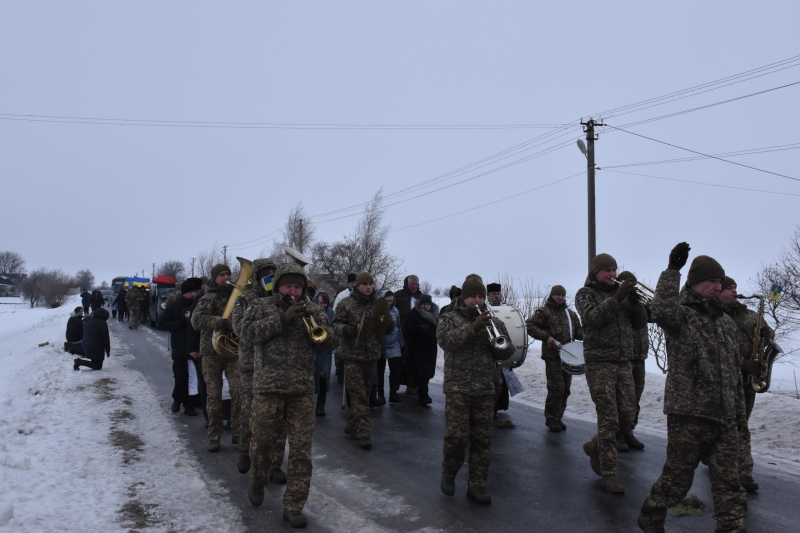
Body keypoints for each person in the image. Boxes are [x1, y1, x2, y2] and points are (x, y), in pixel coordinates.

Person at [638, 244, 747, 533]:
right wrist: (673, 270)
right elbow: (661, 309)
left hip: (723, 419)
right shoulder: (682, 317)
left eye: (720, 281)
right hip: (689, 415)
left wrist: (737, 413)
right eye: (712, 280)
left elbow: (732, 371)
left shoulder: (725, 323)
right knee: (676, 481)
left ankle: (732, 527)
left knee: (729, 483)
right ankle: (651, 515)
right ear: (695, 283)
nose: (717, 285)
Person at [237, 262, 337, 528]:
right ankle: (258, 479)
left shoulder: (314, 309)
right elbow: (245, 334)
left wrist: (322, 334)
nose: (293, 291)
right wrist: (283, 319)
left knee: (301, 452)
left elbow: (331, 341)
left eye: (297, 286)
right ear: (277, 286)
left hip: (301, 391)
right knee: (262, 446)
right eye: (287, 285)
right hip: (267, 389)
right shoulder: (260, 307)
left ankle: (293, 505)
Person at [438, 274, 516, 504]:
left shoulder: (493, 320)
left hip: (485, 388)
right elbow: (446, 342)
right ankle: (450, 472)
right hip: (458, 388)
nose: (477, 300)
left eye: (480, 296)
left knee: (482, 440)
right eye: (473, 296)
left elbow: (507, 350)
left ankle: (477, 483)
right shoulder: (448, 318)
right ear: (463, 297)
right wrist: (472, 328)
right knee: (457, 437)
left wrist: (495, 338)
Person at [576, 253, 647, 494]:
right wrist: (617, 298)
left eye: (615, 269)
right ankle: (609, 472)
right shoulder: (585, 294)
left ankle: (595, 445)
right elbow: (591, 319)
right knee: (609, 419)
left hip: (623, 361)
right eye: (608, 270)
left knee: (627, 417)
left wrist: (635, 302)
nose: (613, 274)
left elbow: (639, 324)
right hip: (599, 362)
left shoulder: (623, 296)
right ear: (596, 273)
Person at [231, 259, 287, 482]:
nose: (269, 278)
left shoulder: (282, 299)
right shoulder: (245, 299)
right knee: (250, 413)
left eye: (272, 274)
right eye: (265, 274)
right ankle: (246, 451)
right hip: (251, 366)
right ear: (256, 277)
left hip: (277, 367)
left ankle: (275, 464)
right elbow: (239, 329)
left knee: (279, 418)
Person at [719, 276, 774, 493]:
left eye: (735, 287)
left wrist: (766, 334)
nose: (734, 291)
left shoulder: (751, 316)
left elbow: (768, 335)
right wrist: (742, 363)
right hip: (723, 379)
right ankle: (731, 467)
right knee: (726, 425)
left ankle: (741, 470)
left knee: (741, 425)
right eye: (728, 288)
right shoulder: (714, 317)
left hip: (747, 382)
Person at [332, 272, 391, 450]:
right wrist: (348, 330)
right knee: (358, 396)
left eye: (370, 284)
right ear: (357, 286)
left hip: (371, 356)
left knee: (363, 395)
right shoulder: (346, 304)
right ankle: (364, 433)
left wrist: (387, 322)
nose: (368, 287)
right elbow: (335, 325)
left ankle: (351, 425)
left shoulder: (378, 304)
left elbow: (387, 328)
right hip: (352, 357)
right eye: (364, 284)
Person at [191, 264, 241, 453]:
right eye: (222, 274)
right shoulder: (206, 297)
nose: (226, 277)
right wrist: (222, 322)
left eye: (228, 273)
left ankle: (238, 433)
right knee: (214, 395)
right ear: (214, 277)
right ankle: (214, 435)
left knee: (238, 391)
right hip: (211, 351)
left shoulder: (236, 295)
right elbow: (196, 321)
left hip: (233, 352)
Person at [526, 284, 583, 432]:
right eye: (558, 295)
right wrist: (547, 337)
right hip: (552, 355)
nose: (560, 297)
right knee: (556, 387)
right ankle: (551, 418)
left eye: (563, 295)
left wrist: (592, 331)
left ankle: (559, 417)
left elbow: (579, 333)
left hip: (569, 356)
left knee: (566, 388)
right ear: (552, 295)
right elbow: (530, 326)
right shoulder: (544, 312)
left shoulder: (571, 314)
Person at [616, 271, 650, 451]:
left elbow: (653, 315)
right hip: (625, 356)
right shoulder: (619, 302)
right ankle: (619, 433)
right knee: (624, 398)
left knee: (636, 397)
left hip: (640, 355)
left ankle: (629, 430)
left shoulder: (639, 302)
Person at [159, 279, 201, 417]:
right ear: (184, 293)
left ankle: (190, 404)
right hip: (180, 347)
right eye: (190, 292)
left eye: (195, 291)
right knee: (181, 377)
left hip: (196, 346)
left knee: (194, 378)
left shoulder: (200, 305)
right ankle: (177, 400)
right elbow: (163, 324)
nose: (193, 295)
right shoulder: (174, 306)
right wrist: (180, 323)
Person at [405, 294, 439, 406]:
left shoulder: (435, 314)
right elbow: (408, 328)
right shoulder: (413, 313)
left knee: (428, 371)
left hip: (431, 347)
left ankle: (422, 391)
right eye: (424, 304)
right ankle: (423, 394)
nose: (426, 307)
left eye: (428, 304)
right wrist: (419, 329)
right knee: (421, 371)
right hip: (418, 347)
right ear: (420, 304)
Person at [486, 282, 512, 426]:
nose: (496, 296)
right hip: (489, 352)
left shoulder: (506, 310)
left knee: (500, 382)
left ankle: (497, 407)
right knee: (493, 382)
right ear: (488, 296)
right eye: (493, 294)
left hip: (502, 349)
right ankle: (491, 408)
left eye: (498, 294)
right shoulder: (484, 309)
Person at [394, 274, 424, 394]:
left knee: (413, 361)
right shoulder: (399, 295)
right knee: (399, 360)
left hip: (416, 335)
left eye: (416, 284)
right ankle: (395, 385)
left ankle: (411, 386)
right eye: (412, 283)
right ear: (407, 283)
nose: (414, 286)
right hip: (401, 334)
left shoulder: (421, 297)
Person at [379, 290, 404, 403]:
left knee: (395, 370)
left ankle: (393, 393)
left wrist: (401, 342)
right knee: (380, 370)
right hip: (382, 344)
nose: (389, 303)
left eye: (391, 301)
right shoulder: (378, 311)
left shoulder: (396, 311)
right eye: (387, 301)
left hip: (394, 344)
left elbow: (398, 327)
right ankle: (380, 394)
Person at [312, 289, 335, 417]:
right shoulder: (311, 312)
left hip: (325, 351)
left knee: (324, 378)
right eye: (320, 303)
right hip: (314, 351)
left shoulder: (331, 313)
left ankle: (321, 406)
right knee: (312, 378)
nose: (323, 306)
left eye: (325, 304)